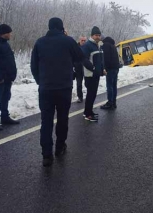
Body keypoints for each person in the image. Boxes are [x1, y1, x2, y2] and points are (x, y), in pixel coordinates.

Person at [31, 17, 92, 167]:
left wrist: (41, 81)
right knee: (63, 118)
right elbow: (80, 56)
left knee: (46, 121)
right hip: (64, 87)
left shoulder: (39, 42)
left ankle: (46, 155)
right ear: (61, 27)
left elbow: (33, 66)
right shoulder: (68, 41)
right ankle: (60, 147)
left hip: (46, 88)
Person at [82, 26, 105, 121]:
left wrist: (102, 69)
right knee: (91, 94)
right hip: (90, 74)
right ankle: (88, 114)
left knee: (93, 94)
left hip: (96, 74)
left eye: (99, 35)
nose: (98, 37)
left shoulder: (98, 45)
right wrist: (94, 68)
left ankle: (88, 111)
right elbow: (84, 60)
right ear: (92, 35)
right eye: (96, 35)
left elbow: (100, 60)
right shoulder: (87, 45)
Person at [100, 36, 120, 110]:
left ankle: (110, 103)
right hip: (116, 68)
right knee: (114, 86)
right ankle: (114, 102)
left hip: (110, 69)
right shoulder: (113, 45)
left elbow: (106, 58)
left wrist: (105, 68)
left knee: (109, 86)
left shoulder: (106, 45)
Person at [74, 35, 87, 103]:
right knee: (79, 84)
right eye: (82, 40)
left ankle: (89, 96)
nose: (83, 42)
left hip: (86, 68)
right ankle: (80, 97)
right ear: (79, 40)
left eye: (85, 40)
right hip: (78, 68)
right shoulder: (76, 47)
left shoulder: (87, 47)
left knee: (87, 83)